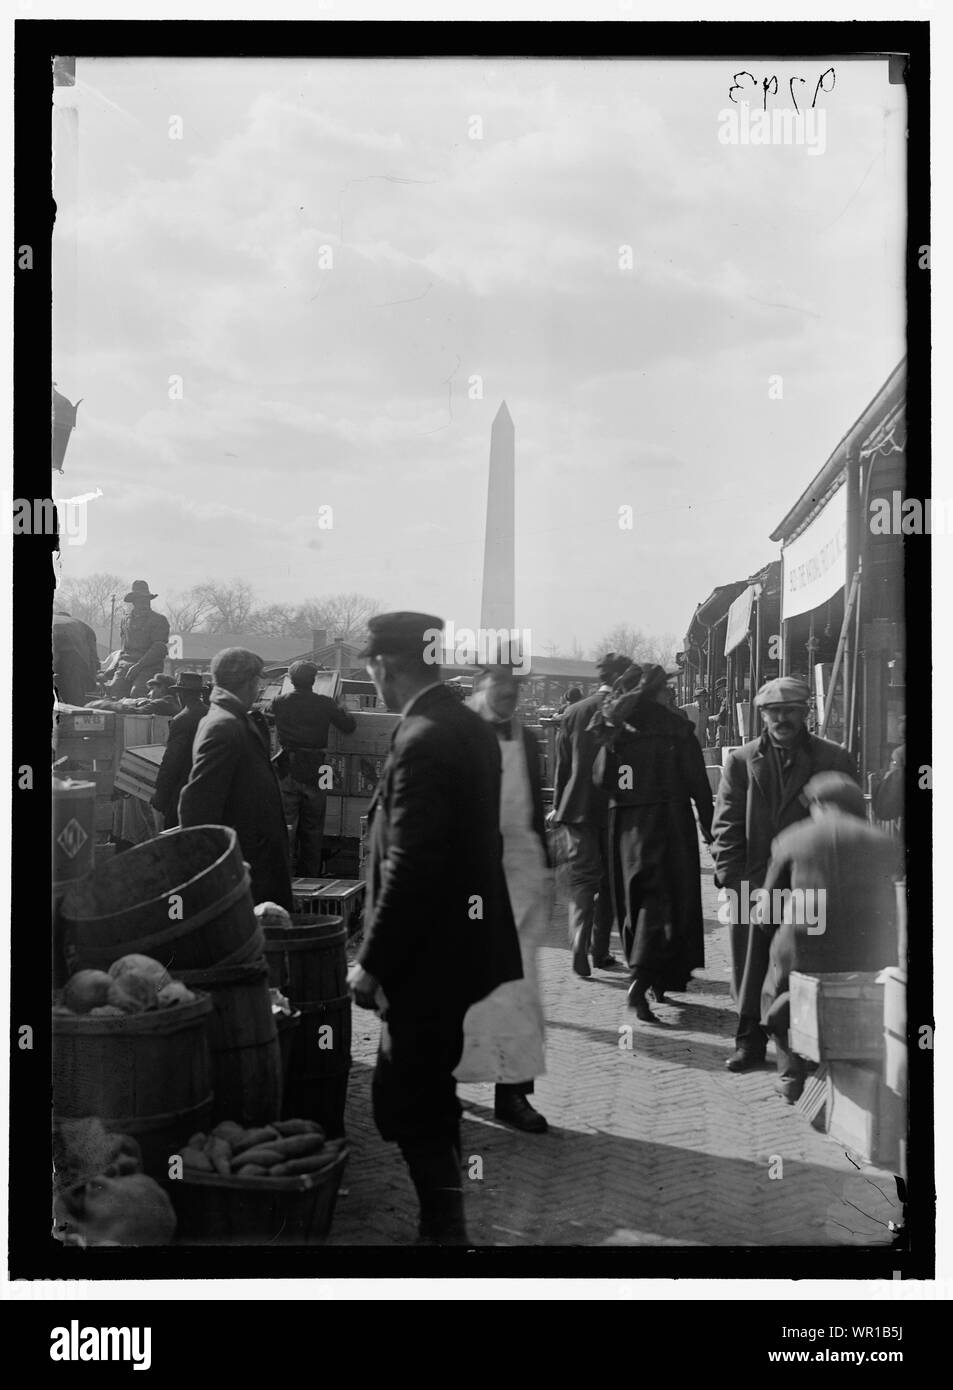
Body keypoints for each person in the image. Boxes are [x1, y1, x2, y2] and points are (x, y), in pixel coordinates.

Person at [346, 613, 523, 1245]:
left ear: (385, 667)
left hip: (426, 953)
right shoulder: (468, 725)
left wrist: (374, 961)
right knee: (432, 1089)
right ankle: (444, 1226)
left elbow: (412, 864)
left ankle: (443, 1234)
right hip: (461, 944)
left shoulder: (422, 735)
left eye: (372, 668)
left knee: (406, 1097)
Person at [710, 676, 856, 1073]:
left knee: (804, 963)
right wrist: (736, 879)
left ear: (806, 712)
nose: (782, 719)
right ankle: (748, 1043)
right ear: (762, 716)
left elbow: (848, 821)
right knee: (750, 964)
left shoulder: (834, 758)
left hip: (810, 882)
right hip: (753, 879)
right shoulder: (741, 761)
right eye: (774, 712)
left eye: (790, 711)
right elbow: (725, 824)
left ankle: (804, 1048)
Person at [756, 771, 901, 1101]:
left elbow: (767, 910)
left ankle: (790, 1073)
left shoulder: (790, 838)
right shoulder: (885, 842)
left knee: (776, 989)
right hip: (867, 951)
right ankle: (860, 1072)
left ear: (819, 803)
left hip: (804, 948)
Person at [454, 666, 552, 1134]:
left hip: (516, 872)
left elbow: (531, 806)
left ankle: (512, 1094)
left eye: (516, 690)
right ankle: (442, 1087)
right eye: (500, 688)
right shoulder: (450, 736)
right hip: (463, 869)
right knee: (454, 985)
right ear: (479, 687)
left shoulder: (528, 741)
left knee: (517, 986)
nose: (509, 697)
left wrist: (543, 863)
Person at [590, 663, 714, 1021]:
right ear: (658, 692)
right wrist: (711, 833)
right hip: (669, 822)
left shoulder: (618, 728)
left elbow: (601, 779)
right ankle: (643, 979)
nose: (671, 696)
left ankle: (654, 978)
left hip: (626, 824)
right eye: (668, 691)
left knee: (637, 900)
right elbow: (699, 788)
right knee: (665, 903)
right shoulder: (677, 730)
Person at [178, 647, 293, 910]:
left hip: (252, 859)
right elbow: (196, 804)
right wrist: (213, 867)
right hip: (247, 865)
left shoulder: (231, 719)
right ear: (251, 682)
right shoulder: (224, 726)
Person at [551, 651, 631, 977]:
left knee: (583, 880)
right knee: (611, 882)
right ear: (622, 677)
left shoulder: (573, 712)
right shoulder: (627, 712)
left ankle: (578, 943)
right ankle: (599, 952)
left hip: (576, 808)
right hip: (613, 808)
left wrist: (559, 805)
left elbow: (562, 766)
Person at [272, 659, 357, 877]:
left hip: (287, 768)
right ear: (314, 680)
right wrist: (341, 707)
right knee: (313, 830)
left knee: (287, 829)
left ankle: (285, 879)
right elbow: (348, 726)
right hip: (318, 770)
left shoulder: (279, 702)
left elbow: (265, 717)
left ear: (291, 680)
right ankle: (309, 878)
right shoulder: (325, 703)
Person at [151, 673, 209, 830]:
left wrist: (160, 795)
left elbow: (171, 762)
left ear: (180, 693)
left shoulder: (182, 719)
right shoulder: (210, 714)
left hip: (183, 792)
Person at [106, 580, 170, 698]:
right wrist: (113, 667)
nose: (145, 603)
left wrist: (138, 666)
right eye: (141, 600)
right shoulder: (125, 620)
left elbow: (159, 648)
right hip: (126, 664)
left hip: (149, 666)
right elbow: (124, 649)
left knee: (137, 693)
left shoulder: (159, 620)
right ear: (134, 601)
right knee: (114, 691)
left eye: (147, 600)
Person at [53, 608, 100, 706]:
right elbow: (93, 656)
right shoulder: (83, 625)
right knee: (75, 697)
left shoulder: (55, 619)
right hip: (76, 659)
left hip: (56, 650)